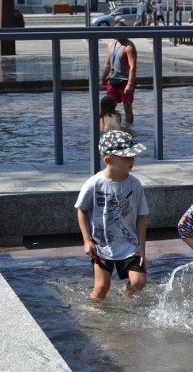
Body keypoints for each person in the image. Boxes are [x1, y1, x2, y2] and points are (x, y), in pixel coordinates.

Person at [75, 130, 149, 300]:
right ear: (108, 160)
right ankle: (92, 313)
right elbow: (82, 210)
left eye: (133, 156)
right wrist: (87, 240)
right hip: (102, 245)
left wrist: (142, 247)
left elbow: (142, 216)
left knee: (139, 282)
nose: (132, 160)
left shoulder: (134, 184)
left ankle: (126, 291)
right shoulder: (94, 184)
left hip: (130, 245)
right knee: (101, 287)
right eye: (127, 157)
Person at [99, 18, 137, 125]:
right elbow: (107, 64)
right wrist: (102, 79)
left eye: (118, 30)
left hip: (125, 81)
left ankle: (129, 129)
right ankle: (108, 127)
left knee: (127, 107)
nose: (114, 32)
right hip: (113, 80)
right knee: (108, 107)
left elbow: (133, 67)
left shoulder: (128, 46)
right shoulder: (111, 44)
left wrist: (130, 84)